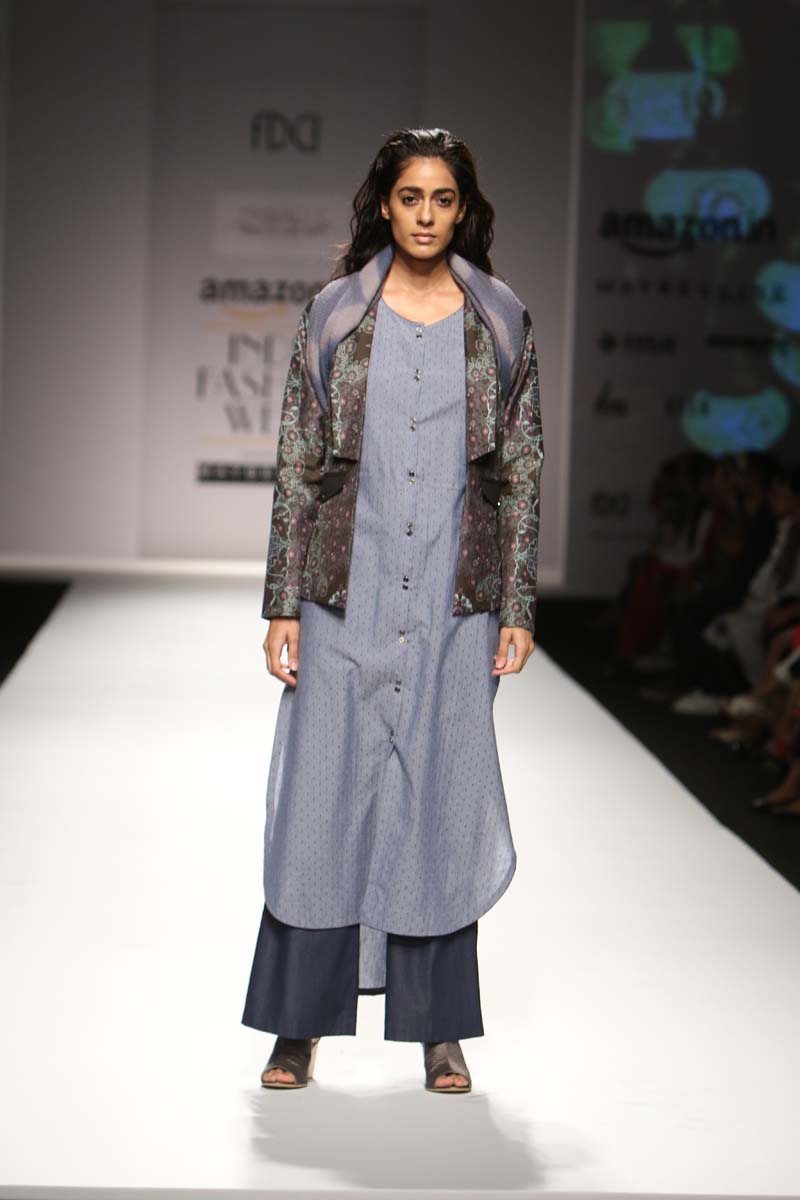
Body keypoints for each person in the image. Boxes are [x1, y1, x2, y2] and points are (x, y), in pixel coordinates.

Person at [241, 127, 545, 1094]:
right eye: (410, 197)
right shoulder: (336, 314)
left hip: (454, 597)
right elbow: (298, 461)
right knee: (321, 799)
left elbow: (520, 470)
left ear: (463, 209)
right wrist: (282, 602)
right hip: (344, 590)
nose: (425, 216)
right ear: (385, 204)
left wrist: (516, 605)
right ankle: (297, 1028)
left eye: (442, 199)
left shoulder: (500, 320)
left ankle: (438, 1030)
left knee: (440, 800)